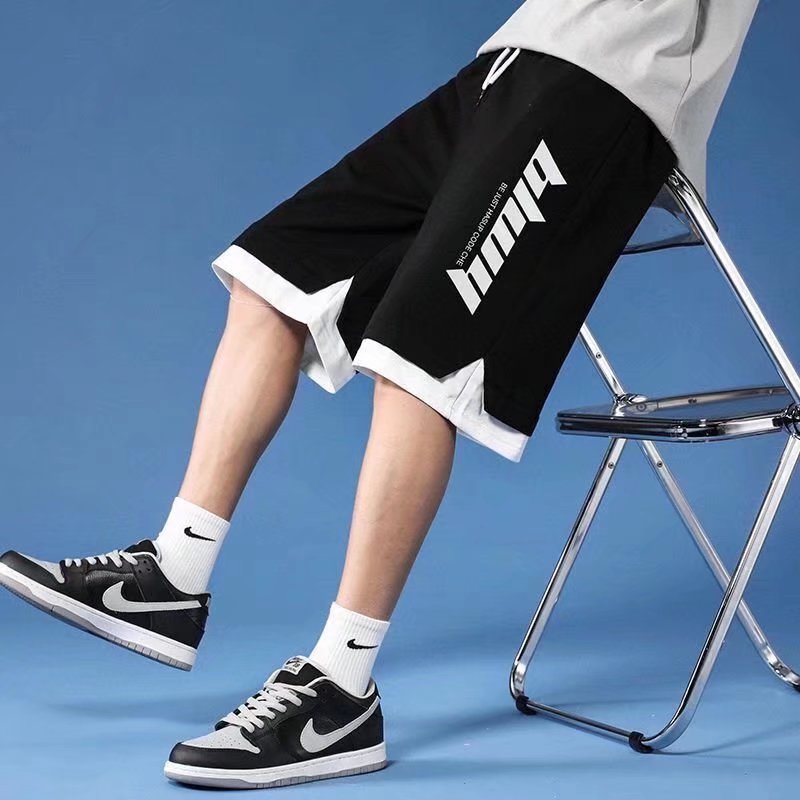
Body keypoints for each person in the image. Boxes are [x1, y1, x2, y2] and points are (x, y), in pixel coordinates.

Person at [0, 0, 759, 791]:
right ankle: (172, 572)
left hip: (611, 82)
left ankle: (342, 687)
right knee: (270, 277)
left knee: (420, 358)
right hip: (511, 61)